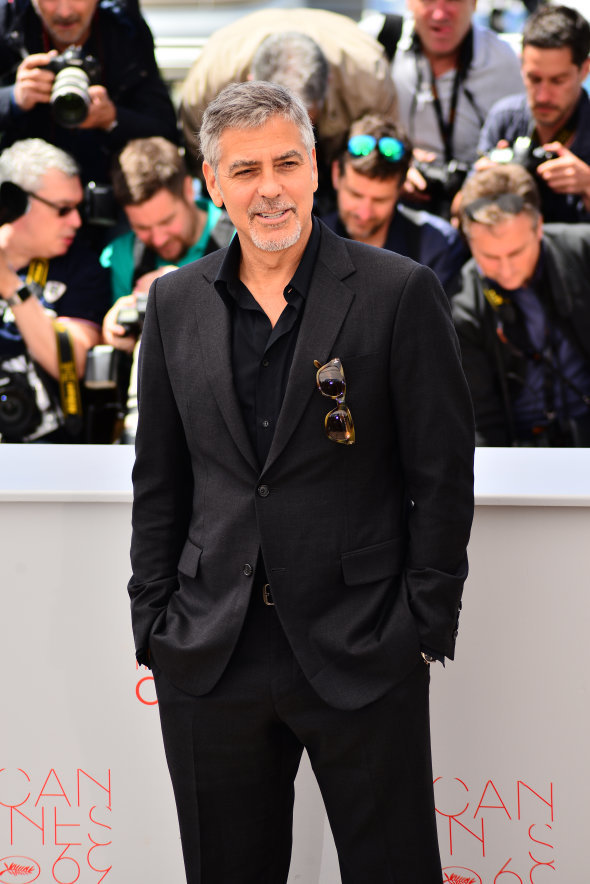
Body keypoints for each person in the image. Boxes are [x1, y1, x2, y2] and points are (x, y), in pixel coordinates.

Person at [128, 80, 474, 883]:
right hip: (210, 655)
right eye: (245, 170)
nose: (270, 187)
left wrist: (421, 624)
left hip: (362, 644)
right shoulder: (175, 303)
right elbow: (161, 481)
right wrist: (154, 621)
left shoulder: (397, 293)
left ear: (315, 169)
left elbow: (442, 474)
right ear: (211, 182)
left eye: (287, 162)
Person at [178, 9, 397, 213]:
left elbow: (384, 150)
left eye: (306, 121)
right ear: (251, 82)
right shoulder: (206, 90)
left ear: (327, 84)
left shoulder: (370, 78)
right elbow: (205, 167)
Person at [451, 163, 590, 446]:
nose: (506, 269)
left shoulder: (583, 251)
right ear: (469, 242)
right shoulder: (460, 304)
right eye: (489, 256)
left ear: (539, 227)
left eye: (516, 252)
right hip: (520, 452)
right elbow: (480, 421)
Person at [361, 0, 524, 217]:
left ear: (474, 4)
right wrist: (393, 161)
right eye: (428, 0)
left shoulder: (503, 60)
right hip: (390, 210)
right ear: (409, 3)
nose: (439, 13)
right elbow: (349, 131)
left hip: (472, 209)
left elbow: (518, 145)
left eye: (452, 0)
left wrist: (480, 181)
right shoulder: (377, 39)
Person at [0, 0, 178, 188]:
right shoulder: (8, 22)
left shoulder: (125, 26)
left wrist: (112, 118)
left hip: (110, 186)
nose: (65, 11)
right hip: (28, 192)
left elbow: (164, 127)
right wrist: (13, 98)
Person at [0, 138, 110, 442]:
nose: (76, 221)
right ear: (14, 202)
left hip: (51, 458)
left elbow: (73, 362)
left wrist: (10, 284)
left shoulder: (81, 266)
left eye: (78, 208)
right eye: (63, 210)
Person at [100, 136, 234, 353]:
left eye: (167, 221)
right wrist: (114, 331)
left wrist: (180, 288)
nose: (159, 238)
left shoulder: (240, 239)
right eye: (142, 228)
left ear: (189, 190)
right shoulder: (121, 256)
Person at [322, 114, 468, 291]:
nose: (364, 212)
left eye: (380, 200)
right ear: (336, 174)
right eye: (355, 195)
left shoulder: (437, 246)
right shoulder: (308, 242)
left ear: (401, 190)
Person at [477, 4, 590, 223]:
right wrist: (482, 188)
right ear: (521, 64)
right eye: (534, 79)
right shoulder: (504, 118)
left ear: (585, 70)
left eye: (558, 81)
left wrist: (587, 185)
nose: (543, 96)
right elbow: (461, 213)